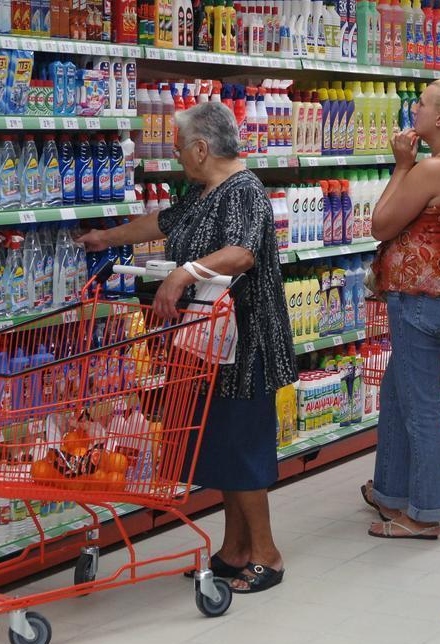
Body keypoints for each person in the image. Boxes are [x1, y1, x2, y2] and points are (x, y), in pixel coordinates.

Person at [77, 101, 297, 593]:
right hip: (212, 342)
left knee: (242, 447)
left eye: (180, 150)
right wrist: (104, 237)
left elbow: (243, 252)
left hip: (247, 342)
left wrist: (185, 272)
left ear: (202, 148)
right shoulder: (205, 193)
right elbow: (162, 224)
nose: (178, 159)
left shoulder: (245, 191)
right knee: (221, 442)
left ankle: (266, 554)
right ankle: (235, 549)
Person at [360, 80, 440, 539]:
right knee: (397, 397)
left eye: (421, 102)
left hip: (420, 300)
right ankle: (392, 493)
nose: (413, 108)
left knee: (420, 408)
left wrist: (401, 166)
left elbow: (381, 224)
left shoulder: (434, 169)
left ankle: (425, 514)